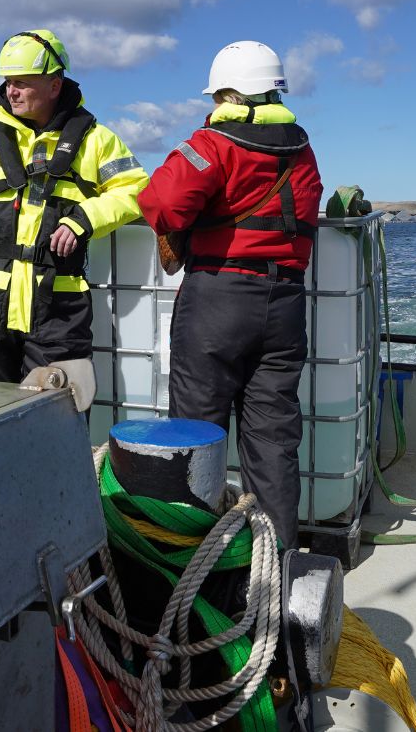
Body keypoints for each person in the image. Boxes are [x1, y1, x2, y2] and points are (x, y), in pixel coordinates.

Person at [137, 41, 323, 549]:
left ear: (229, 94)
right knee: (273, 442)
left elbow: (162, 204)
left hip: (218, 300)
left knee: (197, 436)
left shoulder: (213, 144)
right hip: (285, 303)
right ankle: (277, 560)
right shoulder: (303, 151)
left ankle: (196, 564)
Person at [0, 29, 148, 381]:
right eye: (8, 83)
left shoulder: (97, 141)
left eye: (21, 82)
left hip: (58, 307)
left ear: (54, 85)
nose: (11, 91)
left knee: (59, 407)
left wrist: (84, 219)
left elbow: (136, 190)